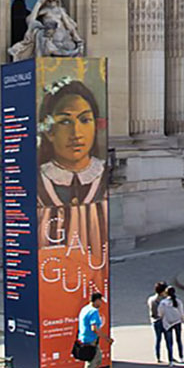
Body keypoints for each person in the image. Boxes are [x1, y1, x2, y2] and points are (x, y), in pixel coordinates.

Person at [35, 76, 107, 263]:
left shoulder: (103, 176)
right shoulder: (37, 183)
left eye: (85, 120)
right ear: (49, 131)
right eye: (65, 122)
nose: (76, 133)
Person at [77, 291, 105, 368]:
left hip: (85, 338)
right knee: (91, 363)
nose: (101, 303)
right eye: (100, 300)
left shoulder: (85, 309)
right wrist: (106, 338)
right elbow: (94, 328)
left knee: (98, 359)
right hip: (90, 340)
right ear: (96, 300)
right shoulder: (93, 312)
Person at [158, 286, 184, 361]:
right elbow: (182, 313)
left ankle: (170, 360)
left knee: (169, 342)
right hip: (177, 322)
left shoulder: (163, 303)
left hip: (167, 323)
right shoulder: (178, 301)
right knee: (179, 340)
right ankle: (181, 357)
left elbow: (160, 314)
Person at [148, 281, 169, 363]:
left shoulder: (151, 299)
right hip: (163, 321)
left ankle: (158, 357)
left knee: (158, 339)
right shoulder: (164, 301)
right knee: (168, 339)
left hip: (155, 321)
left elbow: (152, 312)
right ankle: (170, 356)